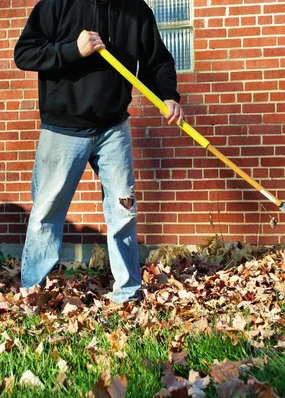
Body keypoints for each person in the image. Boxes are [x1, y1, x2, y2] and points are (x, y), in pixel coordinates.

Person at [14, 0, 185, 303]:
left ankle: (127, 293)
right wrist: (72, 50)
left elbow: (156, 61)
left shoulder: (136, 11)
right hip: (62, 128)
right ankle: (33, 290)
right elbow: (24, 54)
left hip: (113, 127)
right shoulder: (57, 5)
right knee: (47, 211)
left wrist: (169, 95)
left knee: (124, 210)